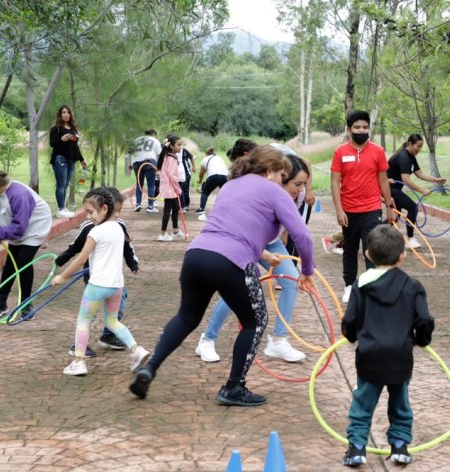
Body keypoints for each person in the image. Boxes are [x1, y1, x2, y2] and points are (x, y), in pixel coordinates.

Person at [129, 145, 316, 406]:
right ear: (271, 170)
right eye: (282, 174)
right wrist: (306, 271)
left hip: (196, 255)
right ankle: (234, 388)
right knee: (255, 321)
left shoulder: (231, 185)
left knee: (186, 317)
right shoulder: (274, 190)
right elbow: (303, 236)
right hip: (232, 261)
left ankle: (150, 368)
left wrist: (262, 254)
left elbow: (236, 226)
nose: (283, 180)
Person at [195, 154, 311, 363]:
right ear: (280, 179)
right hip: (243, 241)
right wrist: (306, 269)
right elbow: (241, 231)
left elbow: (294, 230)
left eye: (304, 184)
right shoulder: (261, 192)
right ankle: (207, 339)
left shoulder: (297, 195)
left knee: (291, 280)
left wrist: (291, 260)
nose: (301, 189)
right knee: (240, 287)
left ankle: (278, 341)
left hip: (270, 241)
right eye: (297, 184)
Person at [341, 224, 435, 466]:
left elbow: (349, 320)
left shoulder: (360, 285)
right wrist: (422, 340)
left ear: (368, 255)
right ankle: (400, 445)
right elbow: (424, 319)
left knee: (363, 401)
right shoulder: (413, 286)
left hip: (370, 356)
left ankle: (358, 447)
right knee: (400, 402)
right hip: (400, 356)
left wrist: (350, 336)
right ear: (403, 255)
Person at [53, 188, 149, 376]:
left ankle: (79, 362)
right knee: (112, 321)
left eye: (90, 212)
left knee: (83, 321)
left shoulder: (95, 232)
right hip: (116, 286)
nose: (88, 217)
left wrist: (62, 276)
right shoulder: (119, 229)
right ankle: (136, 350)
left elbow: (81, 259)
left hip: (97, 286)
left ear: (104, 208)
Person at [0, 166, 53, 320]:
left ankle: (26, 303)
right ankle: (1, 302)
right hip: (19, 227)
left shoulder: (18, 194)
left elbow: (20, 228)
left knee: (23, 262)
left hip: (35, 227)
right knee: (11, 262)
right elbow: (6, 217)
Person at [330, 110, 395, 304]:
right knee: (350, 249)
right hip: (349, 210)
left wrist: (390, 206)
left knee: (371, 248)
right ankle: (349, 286)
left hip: (372, 208)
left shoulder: (378, 151)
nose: (361, 130)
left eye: (365, 127)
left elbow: (383, 181)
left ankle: (371, 287)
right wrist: (339, 210)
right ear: (349, 129)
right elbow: (335, 182)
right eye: (357, 127)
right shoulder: (340, 152)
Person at [387, 134, 447, 249]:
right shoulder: (403, 156)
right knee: (412, 207)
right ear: (410, 144)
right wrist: (422, 190)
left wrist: (436, 180)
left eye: (421, 146)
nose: (419, 149)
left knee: (395, 216)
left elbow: (419, 173)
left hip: (395, 189)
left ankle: (376, 235)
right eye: (418, 146)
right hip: (390, 189)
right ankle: (410, 239)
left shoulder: (411, 156)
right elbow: (406, 180)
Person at [49, 105, 88, 218]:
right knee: (61, 185)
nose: (66, 114)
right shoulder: (56, 128)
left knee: (65, 185)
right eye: (63, 112)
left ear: (70, 115)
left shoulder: (72, 129)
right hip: (60, 159)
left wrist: (81, 159)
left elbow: (75, 146)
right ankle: (61, 209)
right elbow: (52, 144)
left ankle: (64, 208)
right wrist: (62, 139)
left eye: (68, 112)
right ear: (60, 115)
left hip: (71, 160)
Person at [156, 135, 185, 242]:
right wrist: (178, 189)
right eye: (178, 145)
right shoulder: (171, 158)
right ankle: (163, 233)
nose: (180, 147)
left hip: (167, 187)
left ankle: (175, 230)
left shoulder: (167, 155)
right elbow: (172, 176)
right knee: (169, 210)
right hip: (170, 188)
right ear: (171, 146)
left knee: (174, 208)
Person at [130, 129, 161, 213]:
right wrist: (159, 167)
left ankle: (138, 204)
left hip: (137, 162)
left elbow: (129, 152)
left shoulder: (137, 139)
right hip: (149, 161)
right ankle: (150, 206)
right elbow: (159, 154)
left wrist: (130, 164)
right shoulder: (155, 140)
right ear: (154, 134)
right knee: (151, 184)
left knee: (139, 183)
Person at [194, 147, 228, 220]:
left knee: (205, 193)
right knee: (225, 194)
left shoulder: (205, 159)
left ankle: (201, 209)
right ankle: (226, 210)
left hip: (213, 176)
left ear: (207, 154)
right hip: (225, 176)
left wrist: (200, 180)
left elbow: (201, 173)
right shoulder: (219, 158)